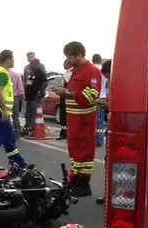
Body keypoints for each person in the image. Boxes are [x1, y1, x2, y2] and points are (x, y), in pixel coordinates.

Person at [54, 42, 102, 197]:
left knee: (84, 152)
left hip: (84, 119)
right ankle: (75, 179)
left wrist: (67, 93)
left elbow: (91, 96)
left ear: (79, 54)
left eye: (70, 57)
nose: (69, 60)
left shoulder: (92, 71)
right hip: (74, 119)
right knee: (75, 151)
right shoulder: (76, 70)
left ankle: (83, 183)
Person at [96, 59, 112, 205]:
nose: (107, 78)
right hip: (112, 127)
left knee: (112, 163)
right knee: (109, 162)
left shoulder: (121, 82)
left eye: (108, 75)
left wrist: (105, 104)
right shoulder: (114, 83)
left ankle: (110, 195)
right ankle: (108, 194)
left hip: (116, 128)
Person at [21, 58, 48, 136]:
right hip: (29, 97)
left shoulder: (41, 73)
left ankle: (33, 129)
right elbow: (29, 83)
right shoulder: (32, 73)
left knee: (34, 114)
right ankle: (27, 128)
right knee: (28, 114)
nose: (30, 65)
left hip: (35, 97)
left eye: (32, 64)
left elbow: (45, 83)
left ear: (37, 64)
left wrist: (40, 92)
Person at [92, 54, 108, 147]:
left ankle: (97, 139)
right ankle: (100, 137)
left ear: (92, 60)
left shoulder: (92, 69)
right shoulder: (103, 69)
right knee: (101, 120)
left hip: (95, 97)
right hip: (103, 96)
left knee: (95, 119)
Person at [57, 59, 73, 140]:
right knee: (62, 116)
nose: (63, 65)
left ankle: (66, 133)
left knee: (66, 116)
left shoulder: (71, 73)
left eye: (64, 64)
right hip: (63, 96)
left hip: (67, 96)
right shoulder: (66, 73)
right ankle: (63, 133)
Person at [9, 68, 25, 137]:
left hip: (4, 97)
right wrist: (22, 96)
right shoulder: (16, 75)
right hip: (14, 97)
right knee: (15, 116)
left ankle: (4, 132)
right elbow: (20, 88)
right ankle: (17, 133)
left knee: (4, 115)